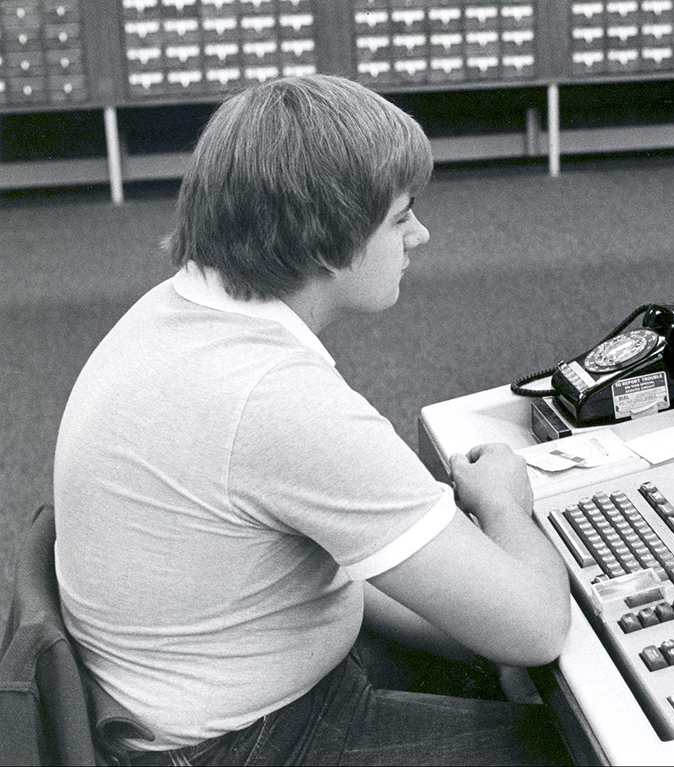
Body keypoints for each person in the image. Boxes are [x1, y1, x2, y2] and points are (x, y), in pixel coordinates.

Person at [53, 74, 573, 766]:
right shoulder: (274, 398)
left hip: (199, 688)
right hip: (240, 744)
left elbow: (346, 567)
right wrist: (506, 504)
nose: (421, 233)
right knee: (586, 747)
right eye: (400, 216)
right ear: (327, 240)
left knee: (499, 670)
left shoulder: (173, 314)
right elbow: (537, 627)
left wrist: (480, 635)